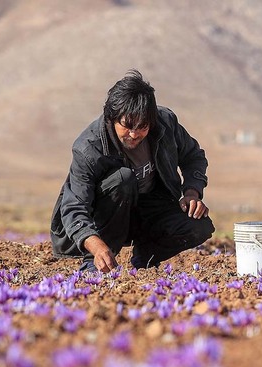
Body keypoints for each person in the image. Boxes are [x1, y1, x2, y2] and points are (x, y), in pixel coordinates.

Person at [50, 69, 214, 272]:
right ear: (112, 117)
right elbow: (74, 208)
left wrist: (191, 192)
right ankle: (96, 264)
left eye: (143, 126)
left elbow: (193, 156)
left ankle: (144, 258)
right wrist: (96, 245)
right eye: (127, 125)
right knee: (123, 179)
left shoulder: (165, 124)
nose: (134, 134)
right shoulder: (89, 148)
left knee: (199, 226)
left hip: (149, 210)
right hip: (106, 219)